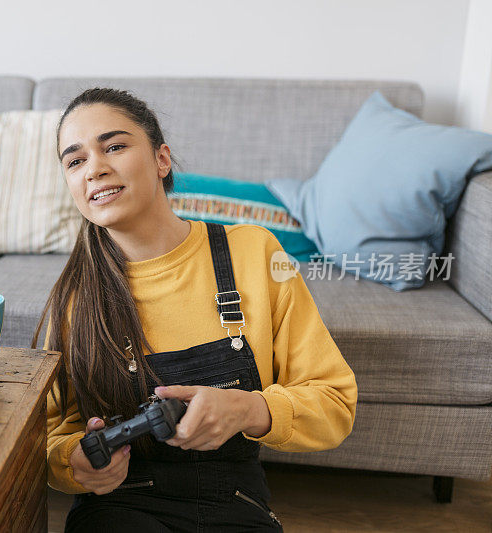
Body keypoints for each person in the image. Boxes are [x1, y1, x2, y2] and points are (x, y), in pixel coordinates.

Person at [30, 87, 358, 532]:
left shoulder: (254, 253)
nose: (96, 169)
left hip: (237, 503)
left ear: (162, 160)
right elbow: (49, 435)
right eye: (75, 161)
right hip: (118, 508)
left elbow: (334, 403)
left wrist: (247, 409)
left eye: (115, 146)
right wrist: (72, 463)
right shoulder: (75, 297)